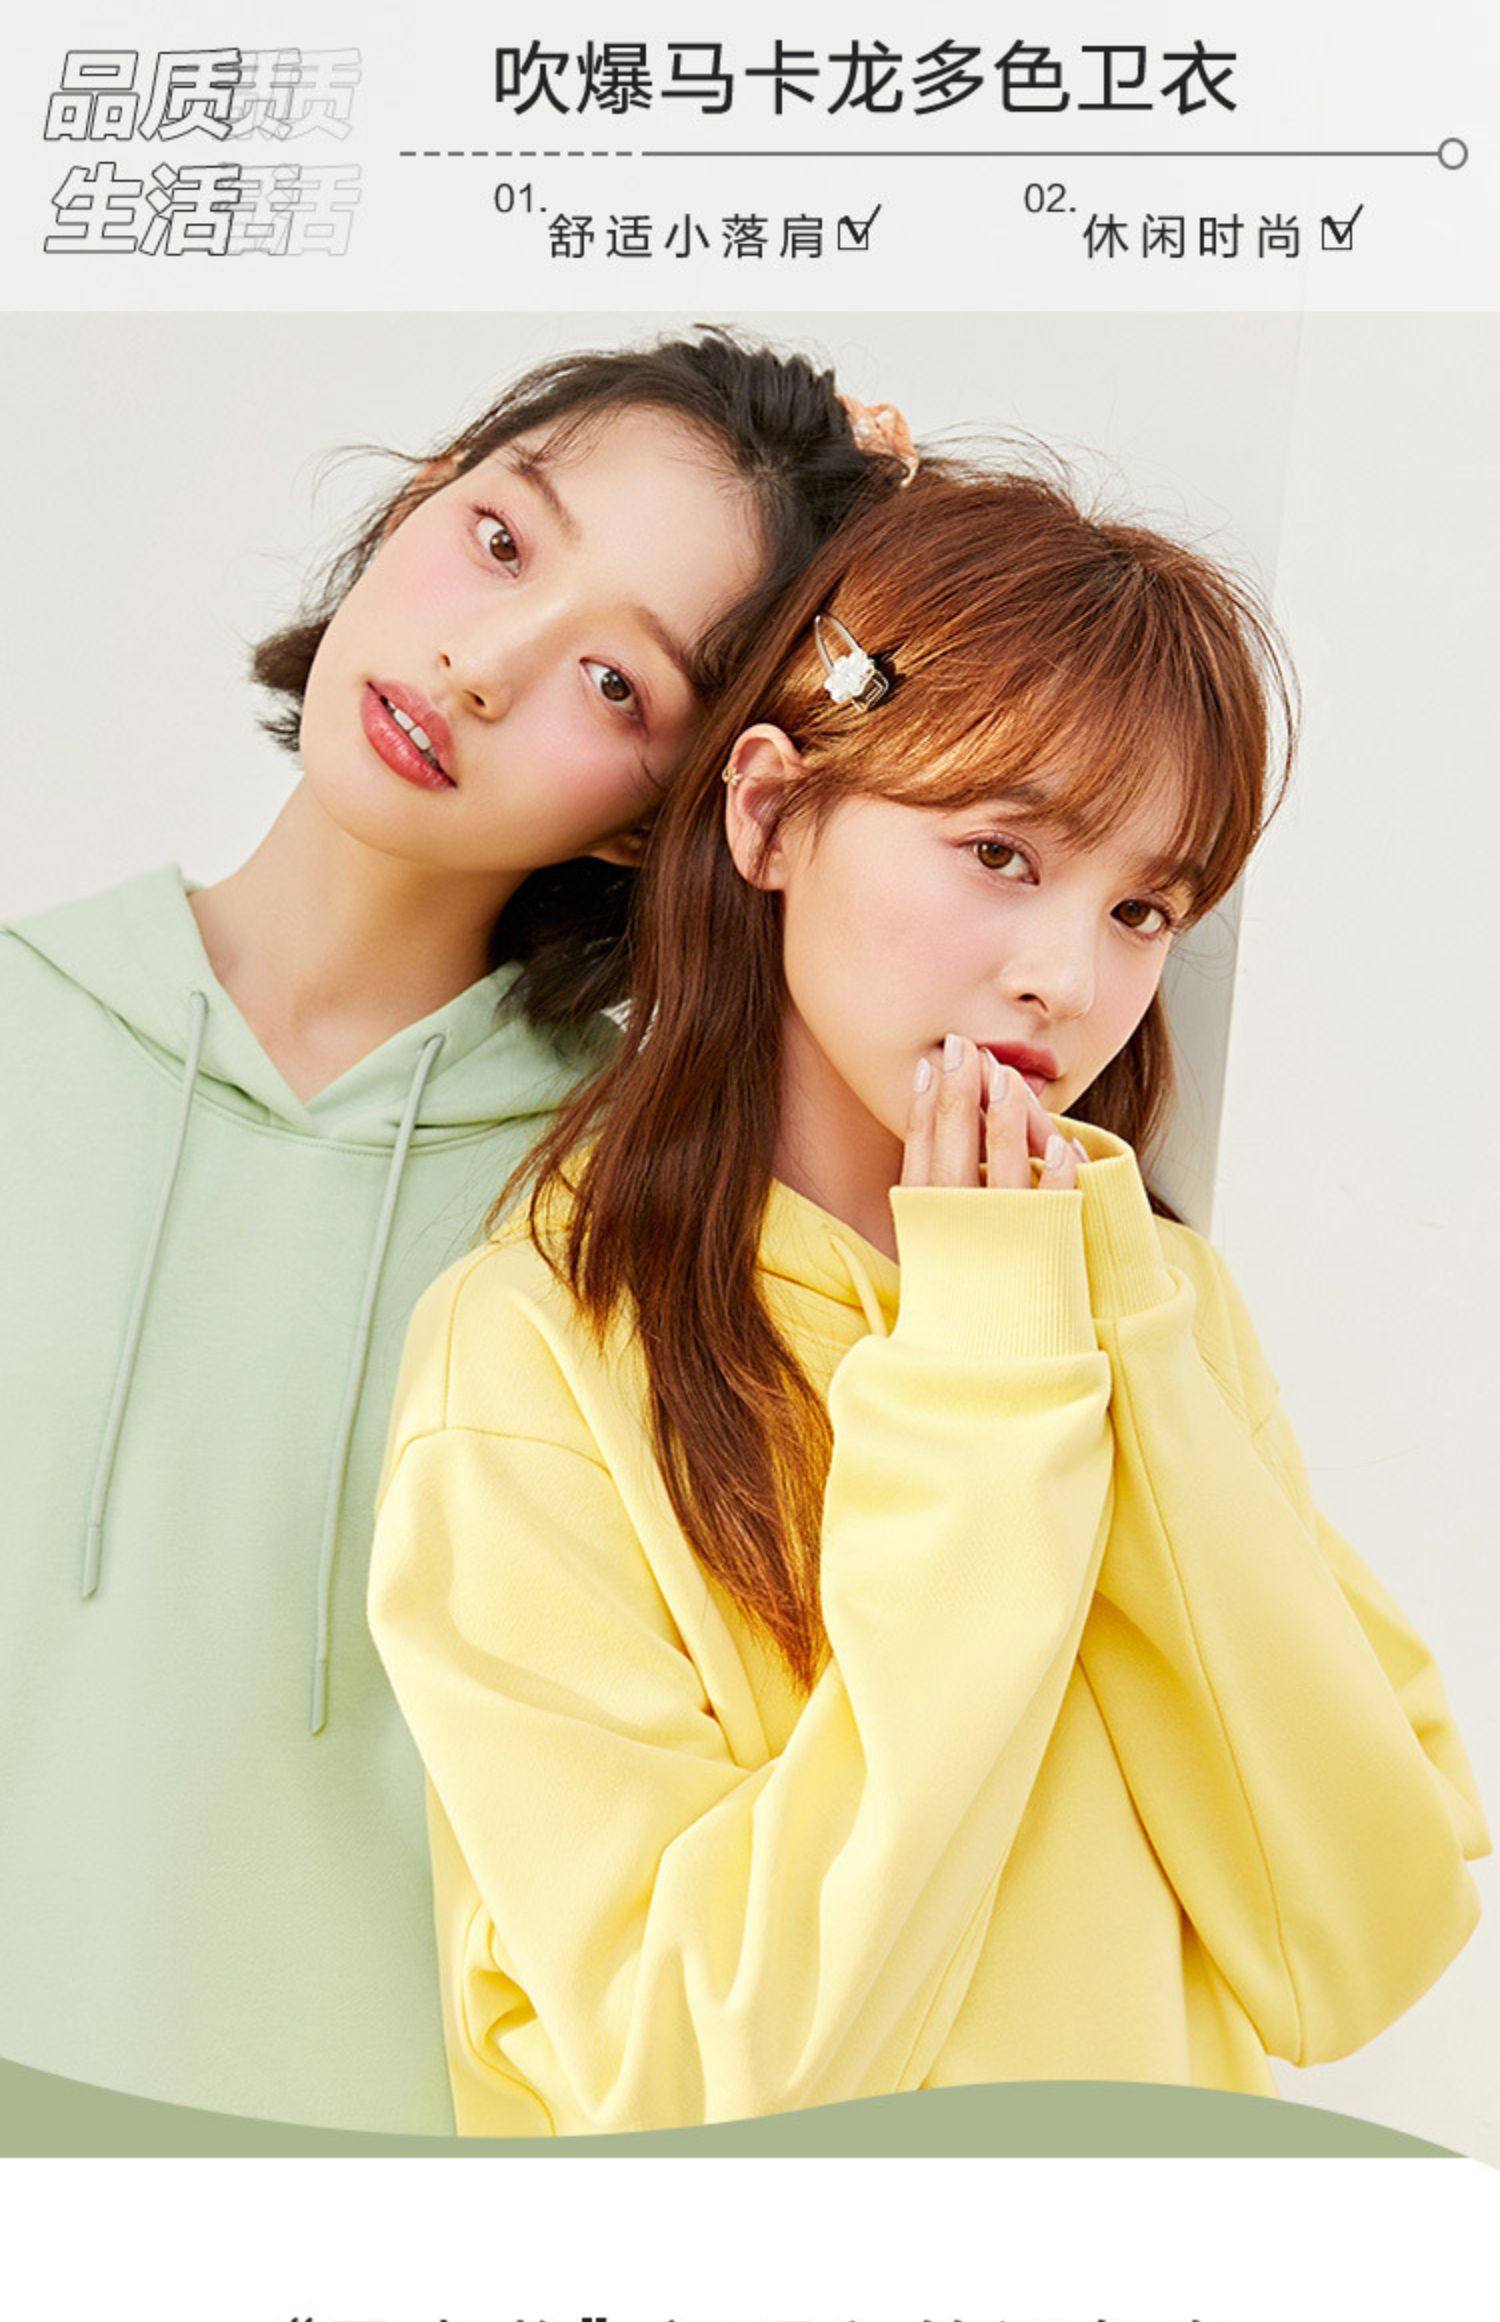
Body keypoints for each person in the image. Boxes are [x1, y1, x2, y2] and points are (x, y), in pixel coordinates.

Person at [370, 451, 1489, 2137]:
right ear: (767, 813)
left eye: (1143, 906)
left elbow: (1362, 1941)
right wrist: (985, 1384)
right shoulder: (536, 1348)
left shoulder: (1153, 1299)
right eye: (999, 852)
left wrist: (1095, 1326)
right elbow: (700, 2089)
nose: (1068, 977)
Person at [0, 330, 908, 2133]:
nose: (481, 668)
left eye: (614, 682)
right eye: (500, 539)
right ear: (421, 493)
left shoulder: (636, 1219)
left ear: (665, 811)